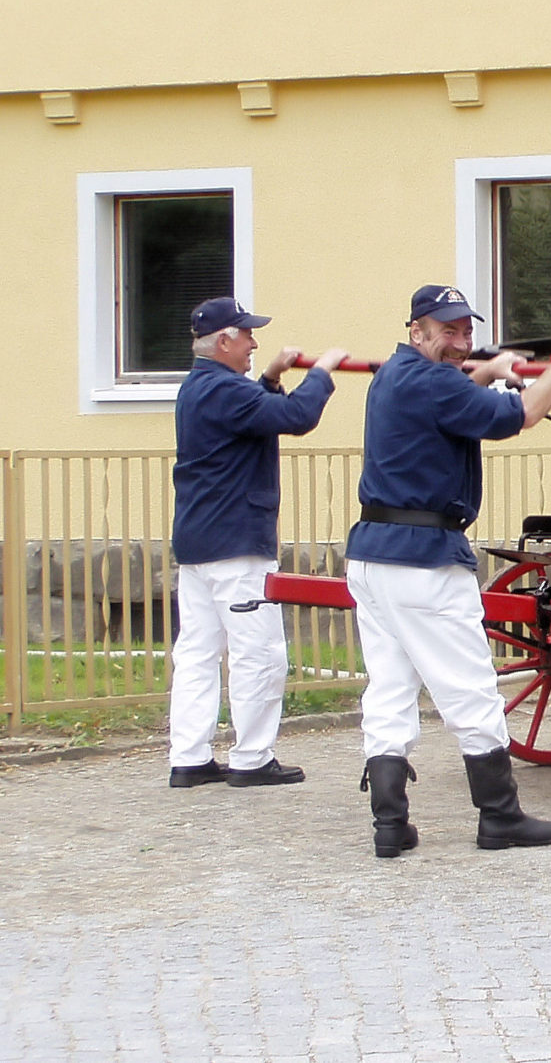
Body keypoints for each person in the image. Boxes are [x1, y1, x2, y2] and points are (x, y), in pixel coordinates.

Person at [345, 284, 551, 859]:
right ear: (417, 332)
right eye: (447, 331)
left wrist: (486, 371)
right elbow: (525, 413)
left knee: (389, 688)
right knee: (472, 689)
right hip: (424, 559)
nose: (460, 342)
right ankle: (500, 816)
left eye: (465, 331)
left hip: (373, 555)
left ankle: (389, 823)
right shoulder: (434, 383)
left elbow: (448, 396)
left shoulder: (393, 375)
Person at [168, 297, 348, 788]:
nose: (254, 341)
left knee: (198, 655)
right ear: (223, 341)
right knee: (259, 653)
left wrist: (268, 377)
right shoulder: (225, 392)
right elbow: (295, 416)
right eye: (246, 334)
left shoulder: (200, 387)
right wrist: (322, 373)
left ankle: (188, 756)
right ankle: (251, 758)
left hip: (199, 543)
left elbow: (256, 412)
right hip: (237, 544)